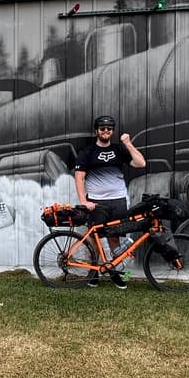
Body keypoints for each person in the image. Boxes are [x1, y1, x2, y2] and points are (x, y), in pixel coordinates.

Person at [74, 115, 146, 289]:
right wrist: (84, 201)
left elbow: (141, 163)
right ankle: (94, 273)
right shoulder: (87, 152)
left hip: (118, 201)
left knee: (115, 238)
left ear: (112, 131)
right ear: (96, 130)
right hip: (97, 203)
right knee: (95, 239)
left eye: (109, 129)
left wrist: (128, 144)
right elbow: (79, 178)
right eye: (102, 128)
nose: (106, 131)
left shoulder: (119, 149)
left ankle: (114, 272)